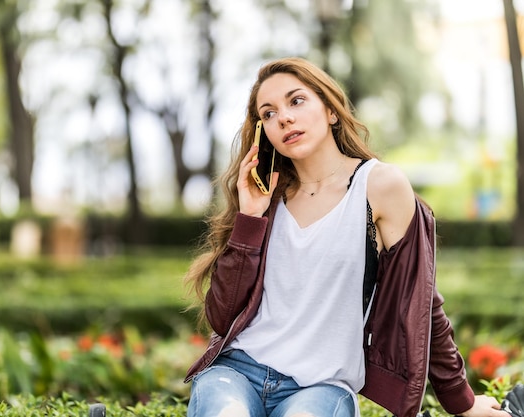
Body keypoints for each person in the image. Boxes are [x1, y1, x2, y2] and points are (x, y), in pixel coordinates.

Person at [182, 57, 510, 417]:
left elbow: (420, 300)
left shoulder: (379, 187)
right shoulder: (265, 197)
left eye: (296, 101)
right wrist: (249, 218)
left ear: (331, 111)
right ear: (264, 133)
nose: (285, 118)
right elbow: (221, 316)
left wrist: (460, 402)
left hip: (320, 387)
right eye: (269, 113)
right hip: (235, 372)